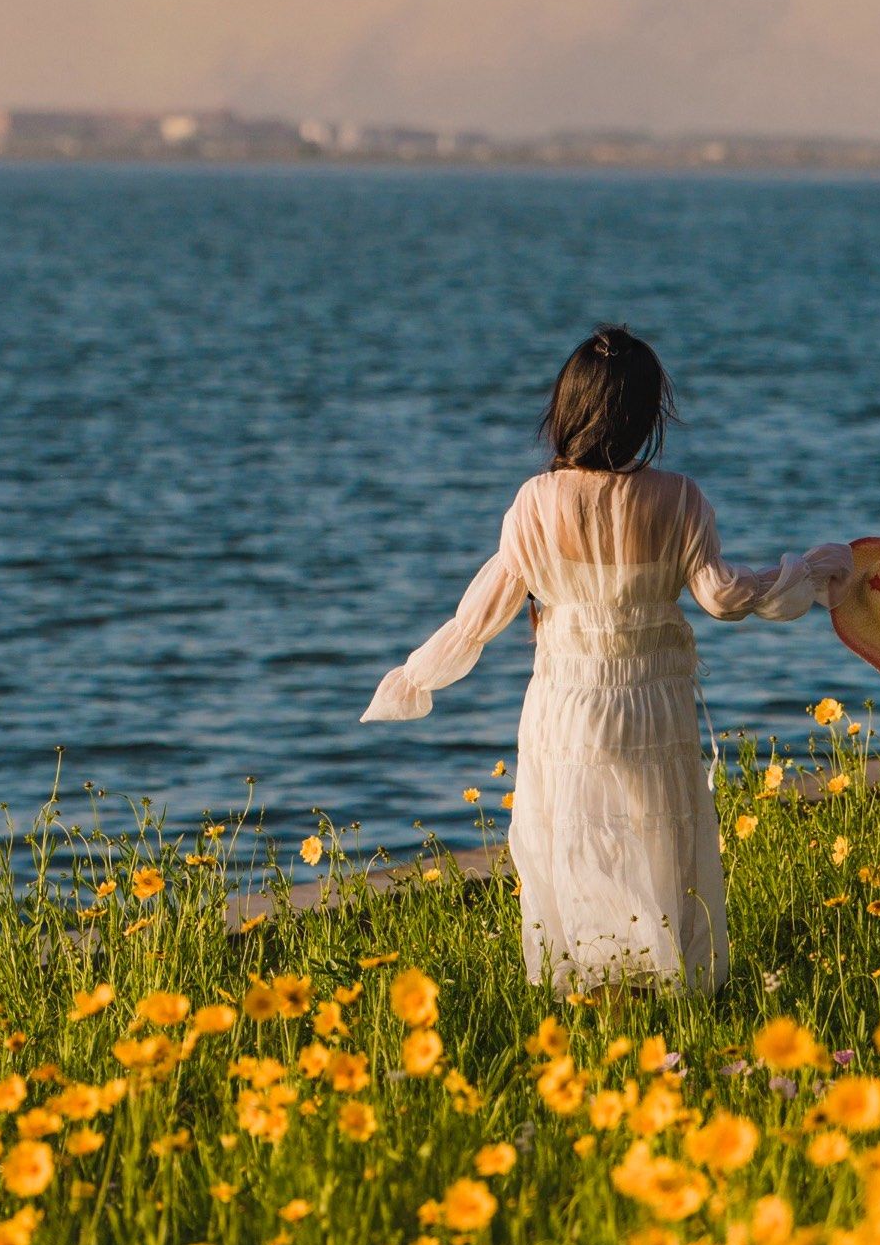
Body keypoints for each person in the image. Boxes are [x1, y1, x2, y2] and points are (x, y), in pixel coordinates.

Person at [361, 325, 853, 993]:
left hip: (566, 703)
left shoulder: (536, 502)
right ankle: (658, 989)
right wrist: (806, 573)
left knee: (575, 843)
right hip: (652, 701)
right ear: (649, 415)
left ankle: (593, 995)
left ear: (567, 409)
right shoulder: (680, 498)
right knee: (656, 846)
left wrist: (416, 676)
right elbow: (724, 597)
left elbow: (479, 615)